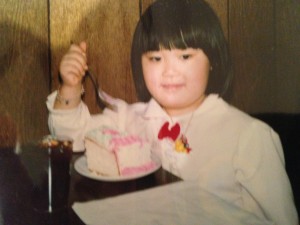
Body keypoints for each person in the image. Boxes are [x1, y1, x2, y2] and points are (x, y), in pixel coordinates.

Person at [47, 0, 298, 224]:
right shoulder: (130, 118)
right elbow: (71, 135)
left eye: (185, 56)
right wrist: (70, 87)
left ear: (213, 61)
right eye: (155, 58)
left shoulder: (249, 136)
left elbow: (282, 219)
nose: (168, 71)